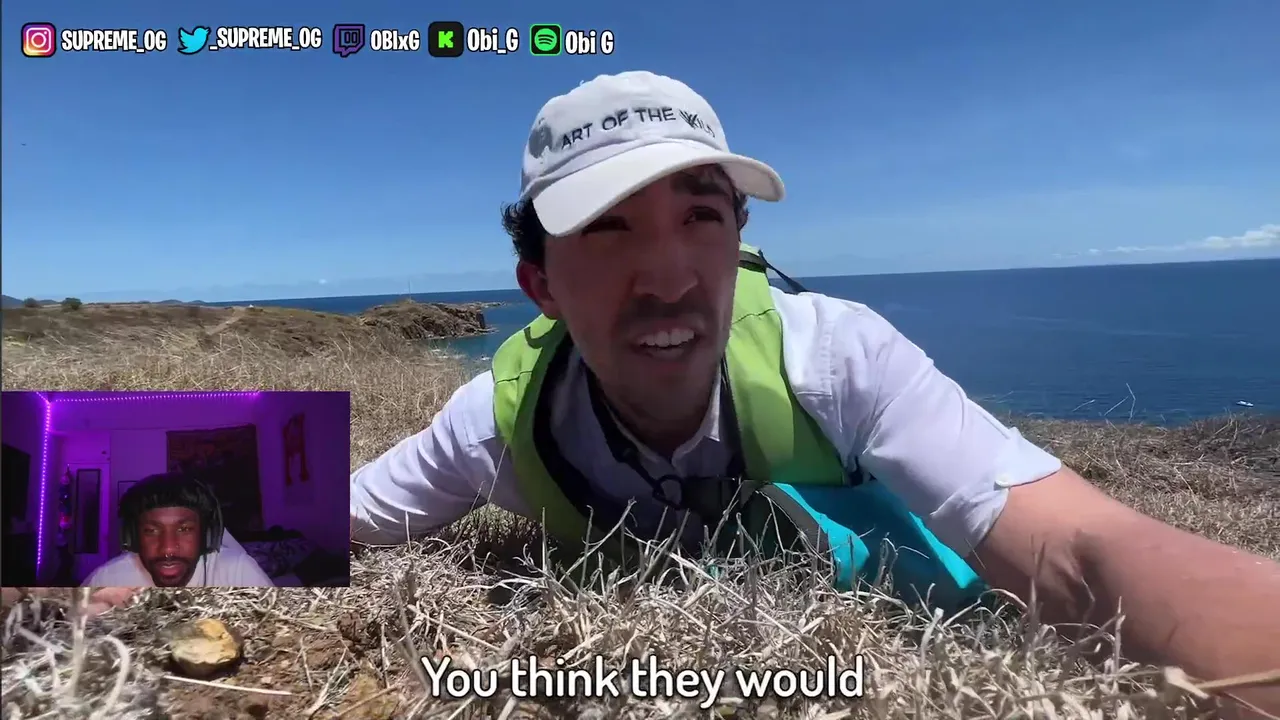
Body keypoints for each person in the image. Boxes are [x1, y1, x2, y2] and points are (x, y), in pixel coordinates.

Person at [351, 70, 1279, 710]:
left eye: (701, 215)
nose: (668, 276)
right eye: (606, 227)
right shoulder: (500, 421)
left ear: (738, 242)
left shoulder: (837, 358)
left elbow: (1079, 549)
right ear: (541, 285)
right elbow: (304, 509)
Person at [82, 471, 274, 588]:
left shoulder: (239, 572)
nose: (168, 549)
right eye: (151, 531)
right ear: (132, 537)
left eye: (185, 529)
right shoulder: (107, 580)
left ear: (206, 535)